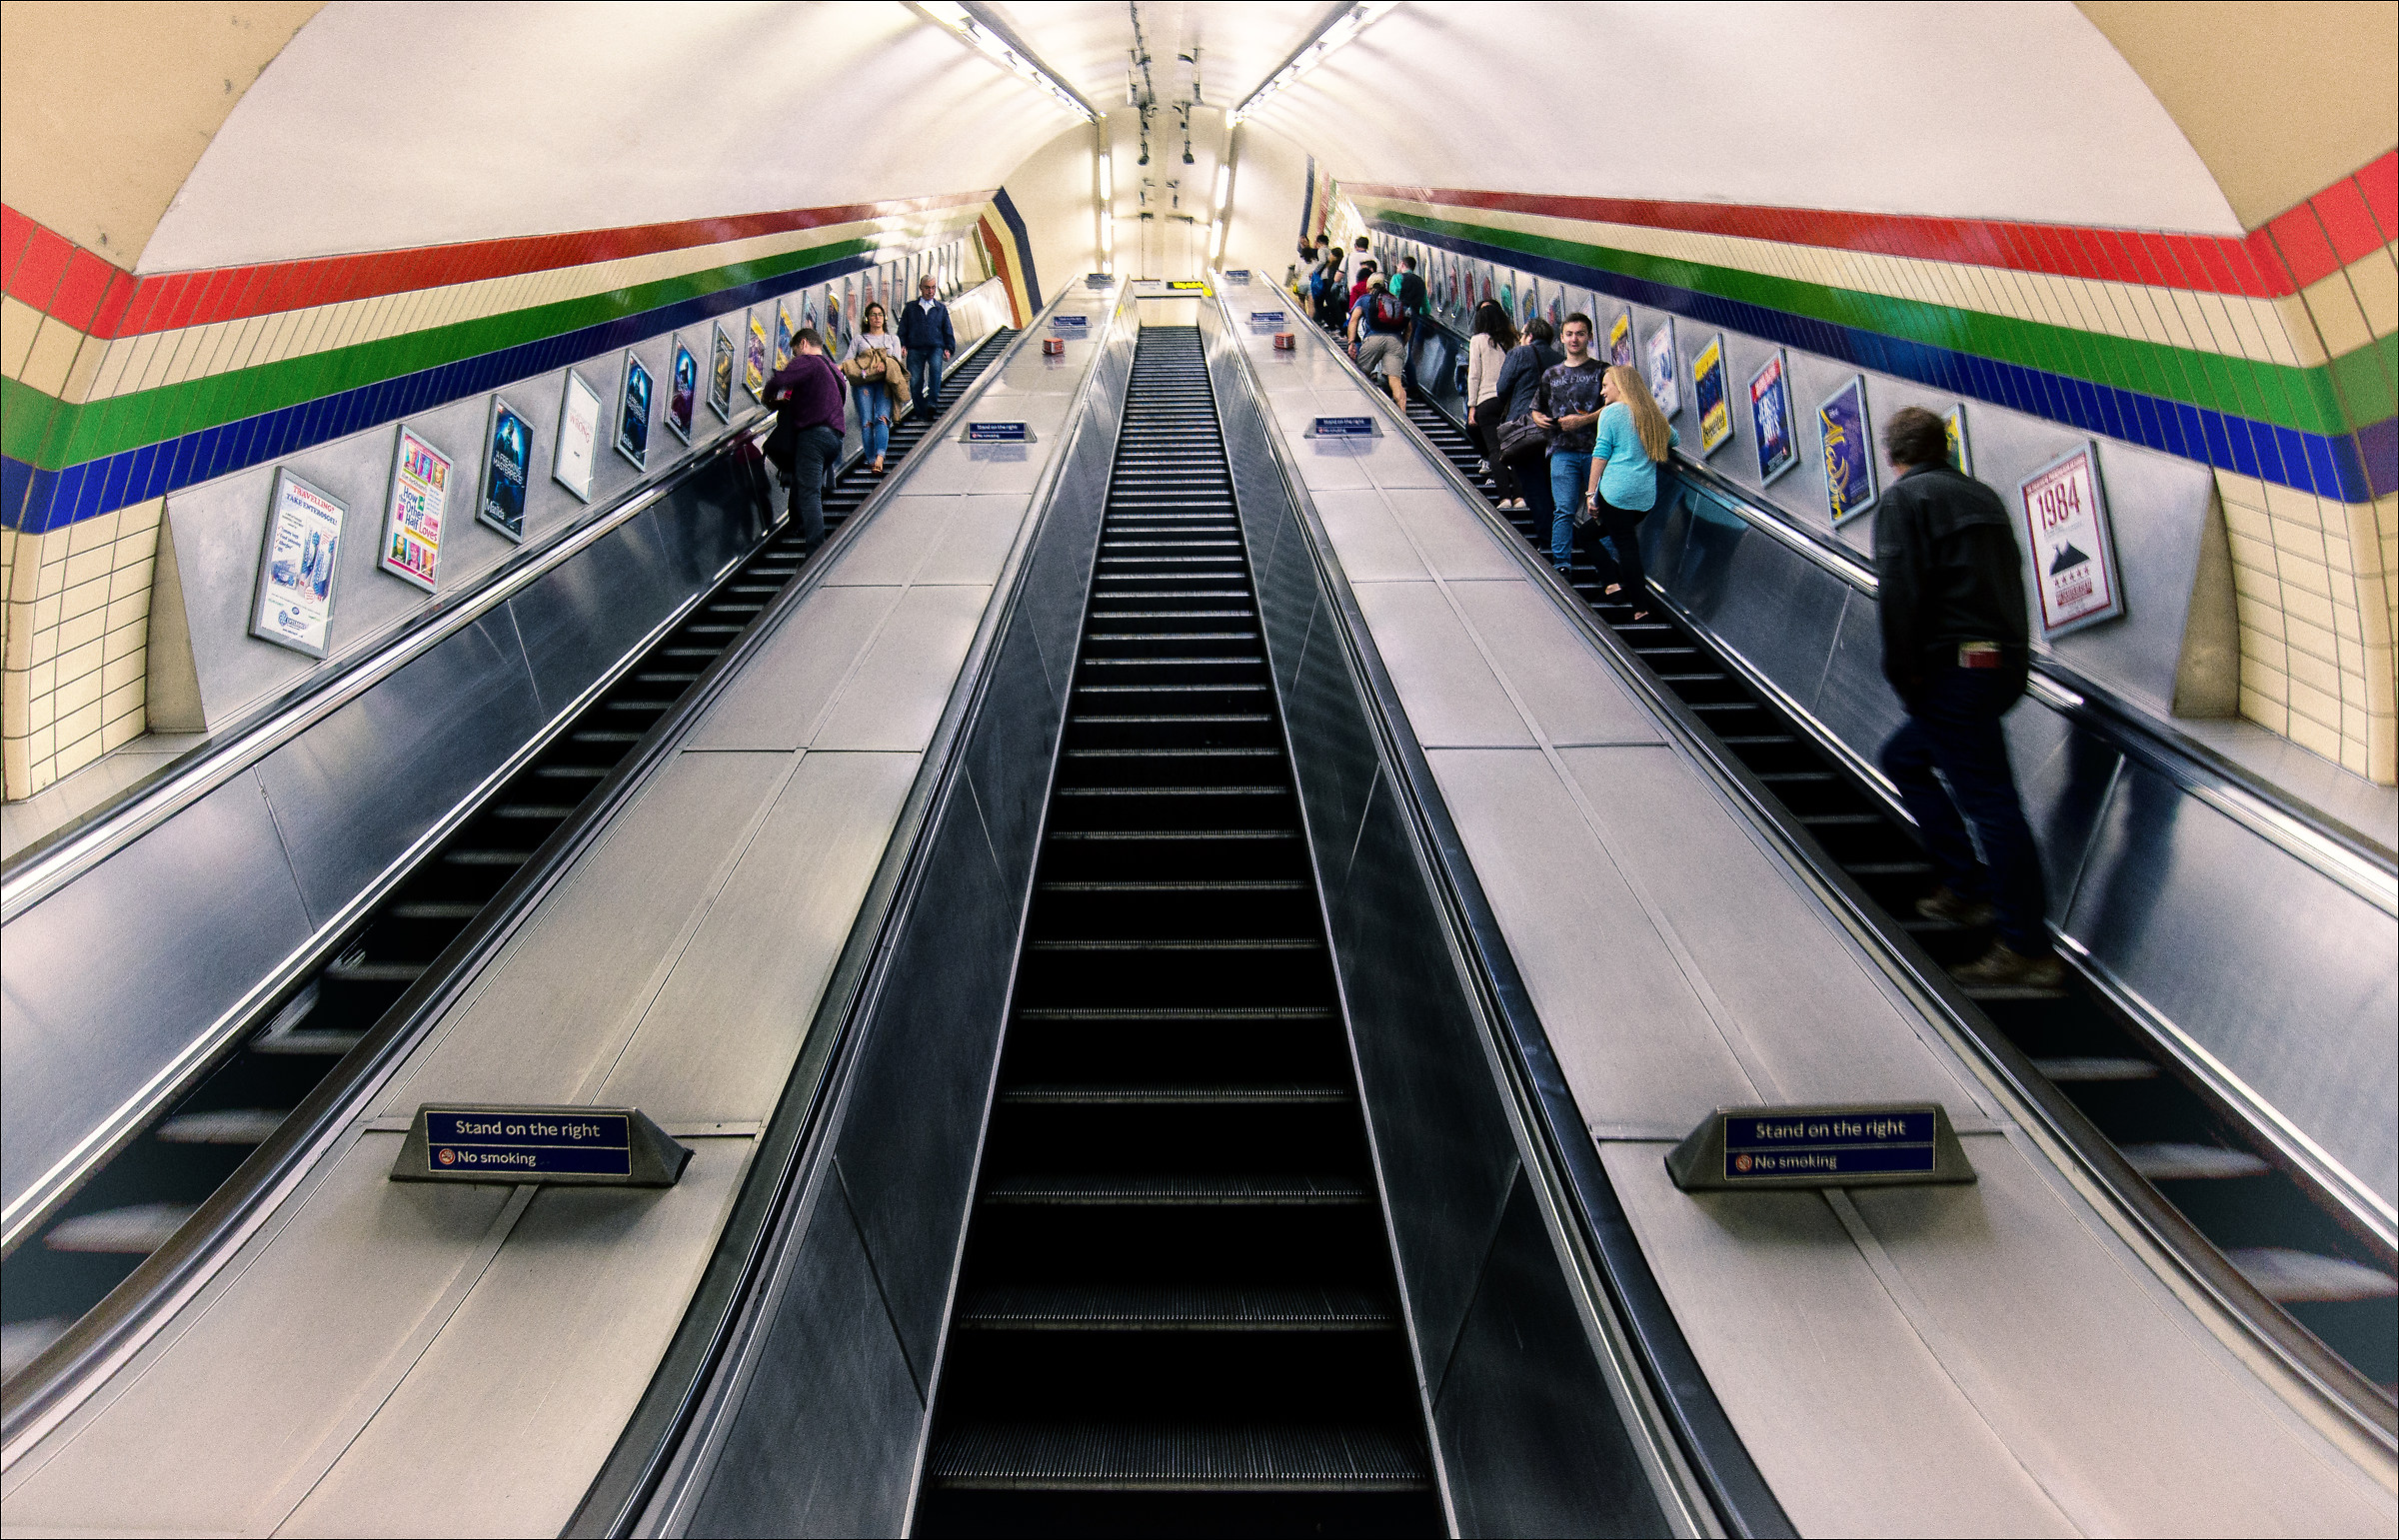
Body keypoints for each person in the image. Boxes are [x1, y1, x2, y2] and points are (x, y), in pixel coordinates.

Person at [1873, 404, 2062, 990]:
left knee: (1992, 805)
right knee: (1904, 759)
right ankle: (1963, 885)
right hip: (1997, 662)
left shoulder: (1906, 500)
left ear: (1894, 456)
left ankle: (2025, 945)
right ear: (1944, 446)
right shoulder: (1984, 497)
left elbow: (1901, 594)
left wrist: (1905, 674)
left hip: (1952, 667)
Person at [1579, 365, 1678, 621]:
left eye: (1605, 385)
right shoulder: (1652, 415)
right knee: (1590, 535)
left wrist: (1591, 494)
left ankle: (1640, 607)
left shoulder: (1611, 414)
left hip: (1616, 493)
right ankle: (1612, 585)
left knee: (1625, 547)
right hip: (1643, 498)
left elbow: (1600, 454)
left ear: (1621, 386)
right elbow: (1674, 439)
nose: (1602, 392)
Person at [1529, 312, 1608, 573]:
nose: (1575, 339)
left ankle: (1609, 568)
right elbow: (1537, 408)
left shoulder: (1602, 371)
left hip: (1598, 451)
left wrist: (1584, 421)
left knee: (1599, 511)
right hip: (1562, 450)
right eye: (1570, 334)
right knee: (1563, 509)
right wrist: (1538, 418)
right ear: (1562, 338)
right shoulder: (1551, 374)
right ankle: (1562, 564)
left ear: (1590, 337)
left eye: (1581, 333)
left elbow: (1615, 407)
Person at [761, 327, 844, 553]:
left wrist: (768, 398)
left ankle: (815, 551)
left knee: (809, 493)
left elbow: (780, 379)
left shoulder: (809, 361)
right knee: (803, 483)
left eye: (795, 351)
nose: (795, 357)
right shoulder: (833, 370)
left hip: (814, 437)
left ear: (804, 344)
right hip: (835, 439)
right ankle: (797, 523)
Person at [1491, 317, 1562, 535]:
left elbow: (1502, 388)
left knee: (1532, 483)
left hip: (1525, 429)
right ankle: (1558, 535)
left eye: (1522, 335)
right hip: (1555, 427)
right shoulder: (1560, 359)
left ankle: (1546, 536)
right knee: (1549, 482)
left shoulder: (1520, 353)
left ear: (1529, 336)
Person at [1465, 300, 1519, 506]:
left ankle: (1505, 497)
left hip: (1486, 401)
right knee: (1513, 448)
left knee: (1495, 451)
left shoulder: (1478, 340)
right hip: (1510, 402)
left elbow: (1474, 375)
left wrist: (1472, 406)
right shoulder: (1513, 340)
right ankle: (1520, 497)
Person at [841, 301, 904, 475]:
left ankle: (880, 458)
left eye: (880, 315)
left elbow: (898, 361)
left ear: (884, 318)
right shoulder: (859, 339)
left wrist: (886, 363)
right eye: (873, 315)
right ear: (867, 319)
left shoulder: (892, 339)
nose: (877, 318)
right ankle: (870, 459)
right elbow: (848, 360)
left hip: (885, 382)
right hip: (864, 383)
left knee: (882, 418)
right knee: (866, 422)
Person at [1349, 267, 1411, 408]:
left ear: (1369, 287)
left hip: (1374, 339)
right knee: (1395, 381)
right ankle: (1403, 414)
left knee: (1361, 373)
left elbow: (1354, 320)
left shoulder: (1365, 299)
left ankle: (1361, 407)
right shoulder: (1395, 300)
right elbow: (1409, 328)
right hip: (1395, 341)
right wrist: (1401, 343)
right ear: (1385, 285)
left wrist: (1351, 342)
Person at [900, 274, 954, 420]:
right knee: (915, 380)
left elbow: (947, 329)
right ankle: (920, 410)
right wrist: (902, 344)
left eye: (933, 288)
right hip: (915, 347)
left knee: (936, 371)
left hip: (935, 346)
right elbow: (903, 328)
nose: (930, 291)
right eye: (927, 288)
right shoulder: (911, 308)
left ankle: (932, 402)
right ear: (920, 288)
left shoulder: (940, 308)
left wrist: (948, 348)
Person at [1393, 254, 1429, 389]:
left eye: (1398, 265)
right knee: (1407, 349)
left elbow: (1393, 297)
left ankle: (1394, 380)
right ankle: (1413, 384)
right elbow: (1426, 307)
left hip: (1397, 317)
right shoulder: (1420, 281)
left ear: (1402, 264)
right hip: (1413, 318)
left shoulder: (1397, 278)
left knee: (1393, 347)